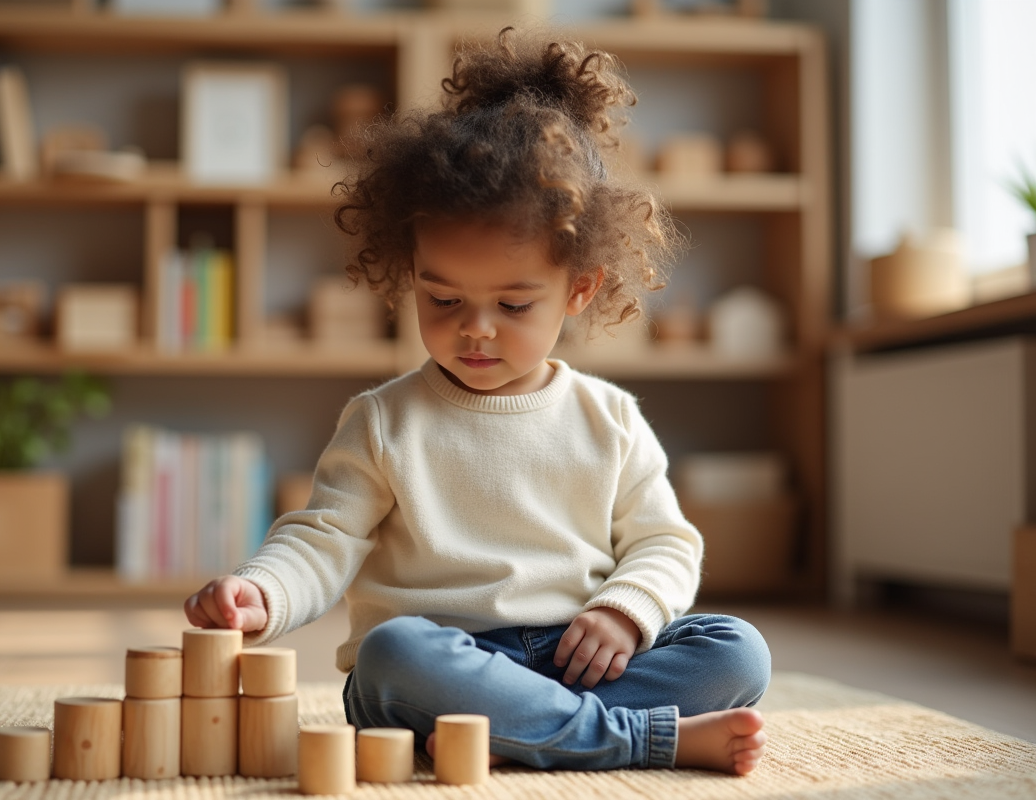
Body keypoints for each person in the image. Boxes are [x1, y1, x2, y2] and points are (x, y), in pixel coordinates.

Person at [185, 27, 770, 775]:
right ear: (412, 272)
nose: (475, 330)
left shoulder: (609, 418)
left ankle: (525, 726)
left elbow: (665, 543)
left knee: (736, 649)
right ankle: (632, 739)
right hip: (443, 661)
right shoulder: (384, 420)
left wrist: (624, 611)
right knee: (392, 653)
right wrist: (260, 593)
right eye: (444, 296)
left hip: (578, 653)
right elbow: (322, 541)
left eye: (515, 305)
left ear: (578, 290)